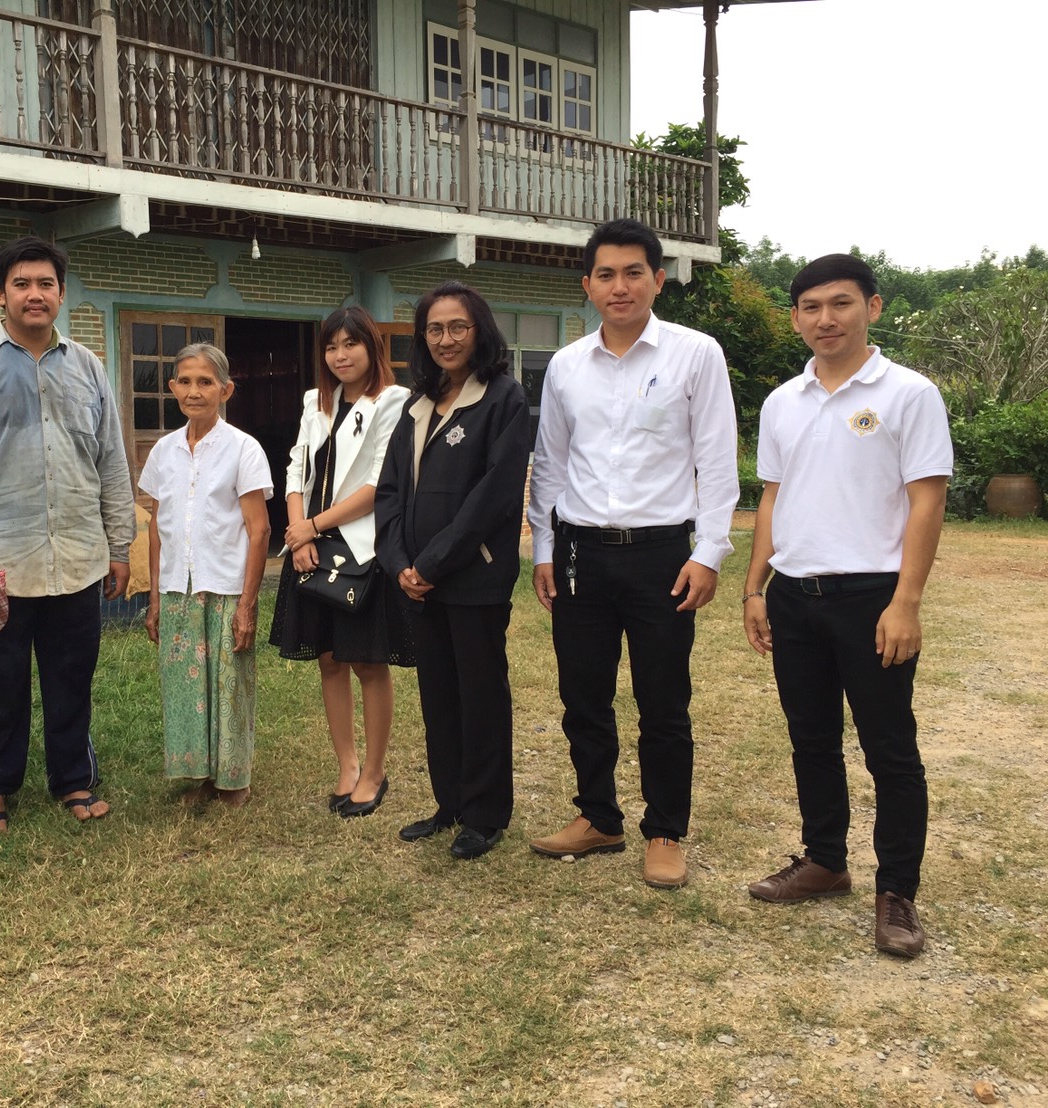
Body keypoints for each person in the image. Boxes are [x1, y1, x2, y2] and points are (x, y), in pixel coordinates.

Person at [741, 254, 951, 959]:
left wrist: (906, 601)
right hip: (795, 594)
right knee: (811, 738)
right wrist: (756, 587)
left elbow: (927, 499)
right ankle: (825, 861)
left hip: (872, 596)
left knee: (889, 748)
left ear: (873, 307)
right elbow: (774, 496)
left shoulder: (909, 393)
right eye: (811, 307)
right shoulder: (783, 401)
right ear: (795, 317)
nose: (825, 319)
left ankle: (898, 893)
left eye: (841, 303)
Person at [527, 217, 739, 890]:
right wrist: (542, 547)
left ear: (658, 279)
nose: (620, 287)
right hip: (580, 553)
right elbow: (550, 463)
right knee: (582, 695)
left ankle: (665, 831)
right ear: (587, 285)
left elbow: (716, 460)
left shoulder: (695, 355)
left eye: (633, 273)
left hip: (662, 556)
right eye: (606, 275)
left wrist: (709, 552)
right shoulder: (566, 366)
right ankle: (598, 817)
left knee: (663, 701)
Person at [0, 236, 135, 835]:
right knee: (0, 682)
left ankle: (73, 777)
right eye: (21, 284)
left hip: (78, 555)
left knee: (73, 675)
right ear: (1, 294)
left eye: (46, 284)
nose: (34, 294)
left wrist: (119, 545)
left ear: (62, 294)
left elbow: (111, 459)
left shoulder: (88, 366)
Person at [375, 281, 529, 860]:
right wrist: (399, 564)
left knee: (480, 695)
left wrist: (433, 563)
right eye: (434, 329)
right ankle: (450, 804)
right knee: (438, 695)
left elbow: (494, 497)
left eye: (457, 327)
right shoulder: (417, 403)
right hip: (418, 584)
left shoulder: (503, 398)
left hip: (473, 578)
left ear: (479, 330)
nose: (446, 339)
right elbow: (390, 491)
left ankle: (485, 814)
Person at [269, 307, 413, 818]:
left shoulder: (393, 400)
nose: (340, 355)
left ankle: (374, 772)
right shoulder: (316, 400)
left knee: (368, 662)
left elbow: (378, 484)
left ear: (372, 346)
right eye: (331, 346)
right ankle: (347, 766)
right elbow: (295, 470)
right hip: (309, 546)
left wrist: (314, 525)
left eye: (351, 344)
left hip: (360, 547)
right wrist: (297, 533)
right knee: (329, 660)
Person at [139, 344, 273, 806]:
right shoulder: (163, 451)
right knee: (186, 688)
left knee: (228, 686)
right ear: (172, 387)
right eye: (185, 381)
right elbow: (157, 528)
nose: (194, 391)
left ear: (225, 390)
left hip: (226, 588)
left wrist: (247, 605)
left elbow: (259, 530)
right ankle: (199, 777)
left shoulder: (243, 449)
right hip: (178, 589)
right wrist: (154, 598)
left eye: (205, 382)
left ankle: (233, 781)